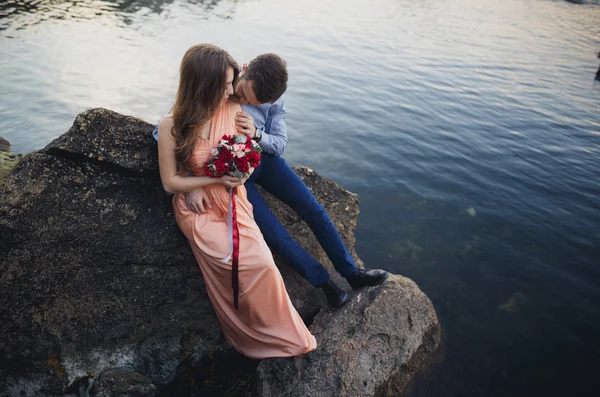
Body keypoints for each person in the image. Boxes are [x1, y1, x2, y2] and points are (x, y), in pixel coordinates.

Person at [154, 53, 388, 309]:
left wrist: (256, 133)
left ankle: (351, 273)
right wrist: (189, 177)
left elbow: (280, 144)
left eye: (250, 102)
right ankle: (324, 284)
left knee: (314, 210)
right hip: (238, 181)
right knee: (275, 235)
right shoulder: (222, 83)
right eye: (242, 92)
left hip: (264, 161)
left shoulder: (273, 99)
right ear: (245, 71)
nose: (240, 99)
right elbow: (164, 129)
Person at [157, 43, 316, 358]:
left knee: (264, 264)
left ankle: (286, 336)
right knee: (229, 259)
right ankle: (244, 337)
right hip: (198, 208)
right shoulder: (170, 125)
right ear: (204, 84)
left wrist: (246, 155)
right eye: (226, 84)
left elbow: (247, 160)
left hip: (232, 198)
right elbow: (168, 182)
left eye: (232, 82)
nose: (231, 91)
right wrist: (198, 184)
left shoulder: (233, 111)